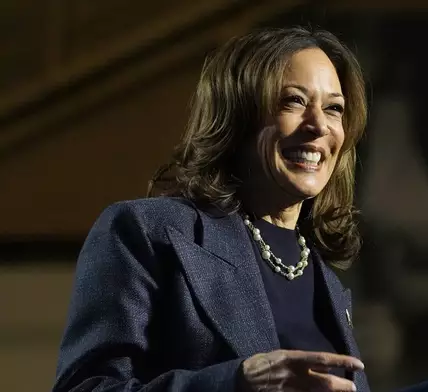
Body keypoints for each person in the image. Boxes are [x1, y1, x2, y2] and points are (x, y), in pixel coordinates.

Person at [52, 26, 369, 392]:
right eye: (292, 101)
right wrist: (236, 383)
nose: (318, 126)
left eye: (334, 108)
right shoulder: (146, 234)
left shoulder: (326, 282)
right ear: (239, 114)